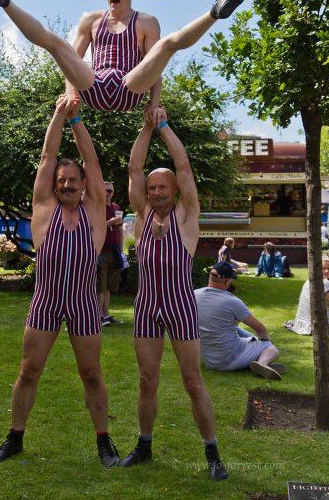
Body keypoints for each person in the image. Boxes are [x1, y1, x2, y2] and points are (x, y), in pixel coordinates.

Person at [0, 96, 120, 467]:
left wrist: (77, 120)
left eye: (72, 180)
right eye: (61, 180)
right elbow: (47, 158)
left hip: (82, 306)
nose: (65, 184)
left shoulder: (95, 214)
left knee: (92, 373)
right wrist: (58, 115)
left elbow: (91, 161)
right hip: (45, 303)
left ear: (83, 185)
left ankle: (103, 442)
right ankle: (15, 438)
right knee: (28, 370)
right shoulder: (44, 212)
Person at [0, 0, 254, 115]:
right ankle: (4, 0)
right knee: (54, 43)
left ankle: (216, 11)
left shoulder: (146, 22)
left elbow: (154, 68)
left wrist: (154, 104)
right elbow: (72, 58)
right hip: (93, 85)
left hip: (129, 88)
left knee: (167, 46)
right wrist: (71, 93)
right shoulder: (90, 20)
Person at [123, 107, 228, 481]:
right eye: (152, 189)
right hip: (148, 308)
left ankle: (212, 453)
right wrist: (145, 128)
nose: (155, 193)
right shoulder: (141, 214)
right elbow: (134, 169)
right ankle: (144, 444)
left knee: (193, 381)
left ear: (173, 190)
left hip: (181, 307)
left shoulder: (187, 214)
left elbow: (183, 165)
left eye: (161, 188)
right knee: (147, 380)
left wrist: (164, 125)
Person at [195, 262, 284, 379]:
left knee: (235, 328)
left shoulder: (193, 295)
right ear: (226, 281)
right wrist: (265, 340)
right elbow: (259, 328)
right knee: (271, 348)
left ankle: (257, 354)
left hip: (209, 359)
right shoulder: (232, 301)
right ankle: (262, 362)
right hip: (229, 359)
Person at [285, 256, 329, 335]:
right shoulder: (325, 283)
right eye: (323, 268)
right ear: (316, 268)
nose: (326, 271)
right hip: (320, 324)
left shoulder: (308, 281)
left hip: (303, 324)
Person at [97, 181, 123, 327]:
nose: (108, 193)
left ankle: (106, 314)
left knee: (109, 287)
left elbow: (119, 230)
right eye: (105, 190)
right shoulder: (97, 208)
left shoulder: (116, 207)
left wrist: (121, 250)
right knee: (101, 286)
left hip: (114, 251)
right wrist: (109, 222)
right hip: (101, 251)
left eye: (110, 191)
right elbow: (92, 228)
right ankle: (99, 316)